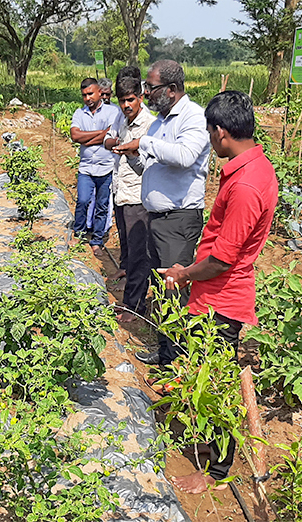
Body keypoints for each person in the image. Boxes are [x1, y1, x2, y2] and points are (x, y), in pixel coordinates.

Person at [159, 90, 278, 493]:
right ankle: (216, 458)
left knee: (217, 385)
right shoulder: (255, 167)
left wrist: (184, 273)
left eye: (210, 132)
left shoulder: (246, 186)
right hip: (217, 293)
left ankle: (216, 471)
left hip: (221, 298)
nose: (210, 140)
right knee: (209, 376)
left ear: (222, 132)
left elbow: (223, 260)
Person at [113, 60, 211, 366]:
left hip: (178, 220)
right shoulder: (160, 122)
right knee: (162, 288)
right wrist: (132, 155)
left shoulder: (193, 118)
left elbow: (184, 156)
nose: (146, 93)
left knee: (175, 288)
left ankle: (179, 360)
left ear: (171, 89)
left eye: (150, 88)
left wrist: (143, 142)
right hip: (157, 218)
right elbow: (148, 167)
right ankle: (166, 352)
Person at [103, 75, 153, 323]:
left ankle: (135, 306)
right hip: (121, 192)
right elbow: (108, 140)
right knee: (129, 250)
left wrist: (131, 149)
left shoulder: (149, 126)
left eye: (131, 99)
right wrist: (118, 143)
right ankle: (132, 300)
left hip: (138, 197)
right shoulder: (123, 121)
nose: (126, 105)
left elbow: (149, 166)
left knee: (138, 255)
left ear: (141, 97)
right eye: (122, 100)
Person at [70, 77, 118, 253]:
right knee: (82, 200)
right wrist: (101, 134)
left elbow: (112, 136)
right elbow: (75, 136)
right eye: (84, 95)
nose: (87, 98)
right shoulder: (79, 113)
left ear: (99, 92)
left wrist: (87, 138)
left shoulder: (112, 112)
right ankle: (79, 234)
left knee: (102, 204)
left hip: (106, 166)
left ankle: (97, 239)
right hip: (86, 167)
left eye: (90, 93)